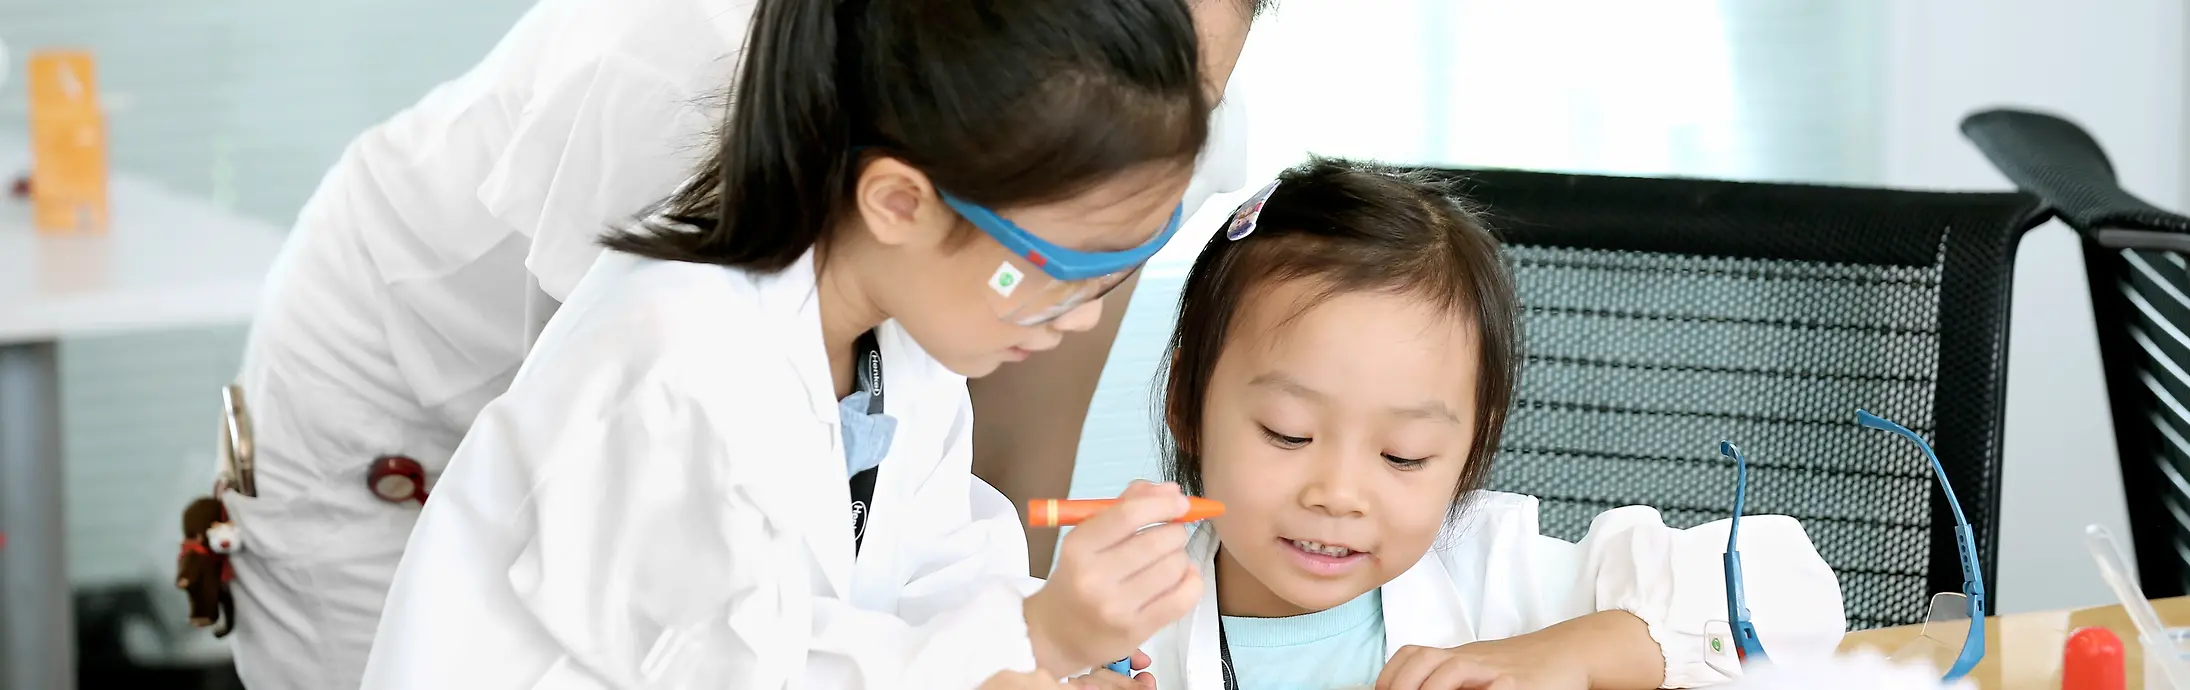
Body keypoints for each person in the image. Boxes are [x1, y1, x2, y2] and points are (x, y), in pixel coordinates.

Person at [218, 0, 1265, 686]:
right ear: (901, 199)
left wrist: (1054, 640)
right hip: (390, 433)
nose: (1083, 317)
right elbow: (726, 656)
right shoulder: (672, 366)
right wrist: (1025, 645)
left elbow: (929, 554)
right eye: (1061, 275)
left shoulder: (903, 338)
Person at [1139, 159, 1849, 689]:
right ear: (1185, 402)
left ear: (1469, 446)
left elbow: (1792, 600)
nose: (1339, 492)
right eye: (1289, 434)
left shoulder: (1493, 573)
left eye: (1405, 455)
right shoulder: (1121, 602)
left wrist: (1570, 653)